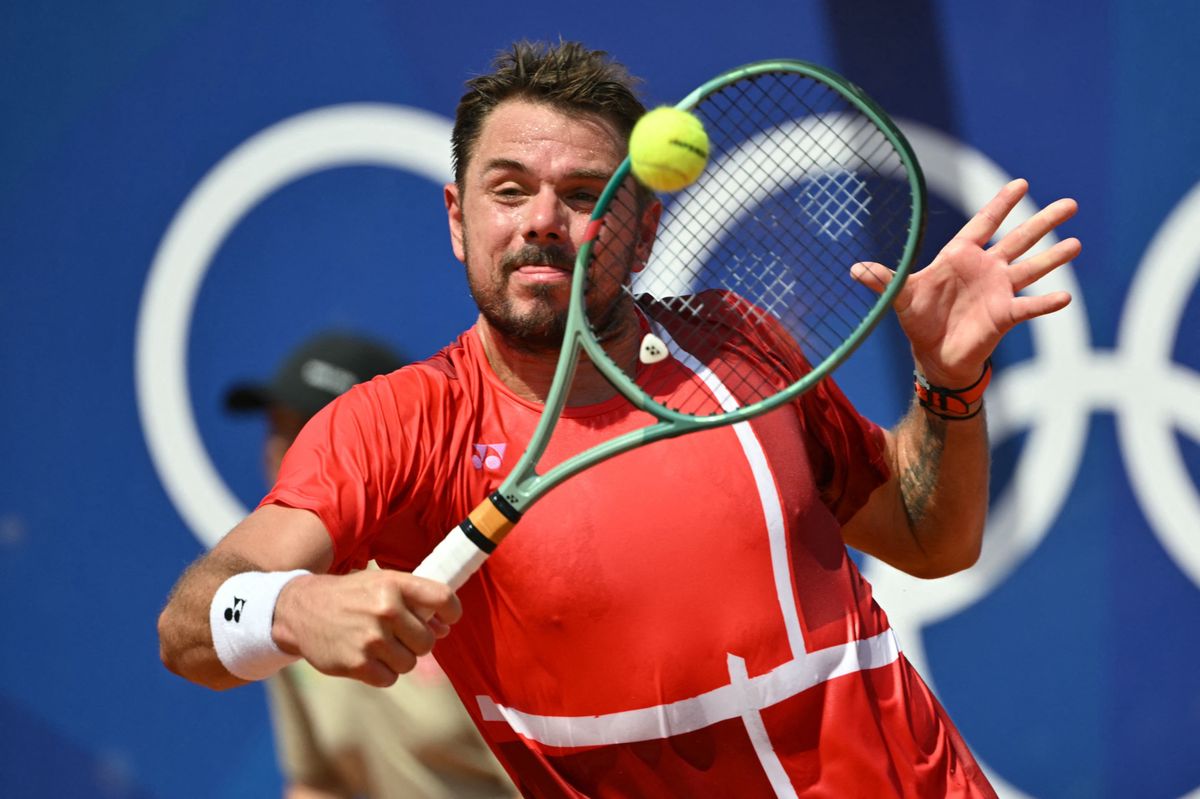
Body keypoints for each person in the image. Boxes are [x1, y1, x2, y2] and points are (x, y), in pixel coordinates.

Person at [158, 41, 1082, 798]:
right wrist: (292, 605)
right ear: (457, 218)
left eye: (585, 195)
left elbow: (929, 536)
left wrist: (948, 383)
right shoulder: (396, 425)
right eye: (508, 189)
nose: (543, 220)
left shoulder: (739, 343)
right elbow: (190, 625)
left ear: (643, 231)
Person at [223, 332, 517, 798]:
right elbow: (321, 782)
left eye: (305, 431)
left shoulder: (469, 581)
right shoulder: (280, 593)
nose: (277, 449)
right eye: (275, 426)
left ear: (376, 449)